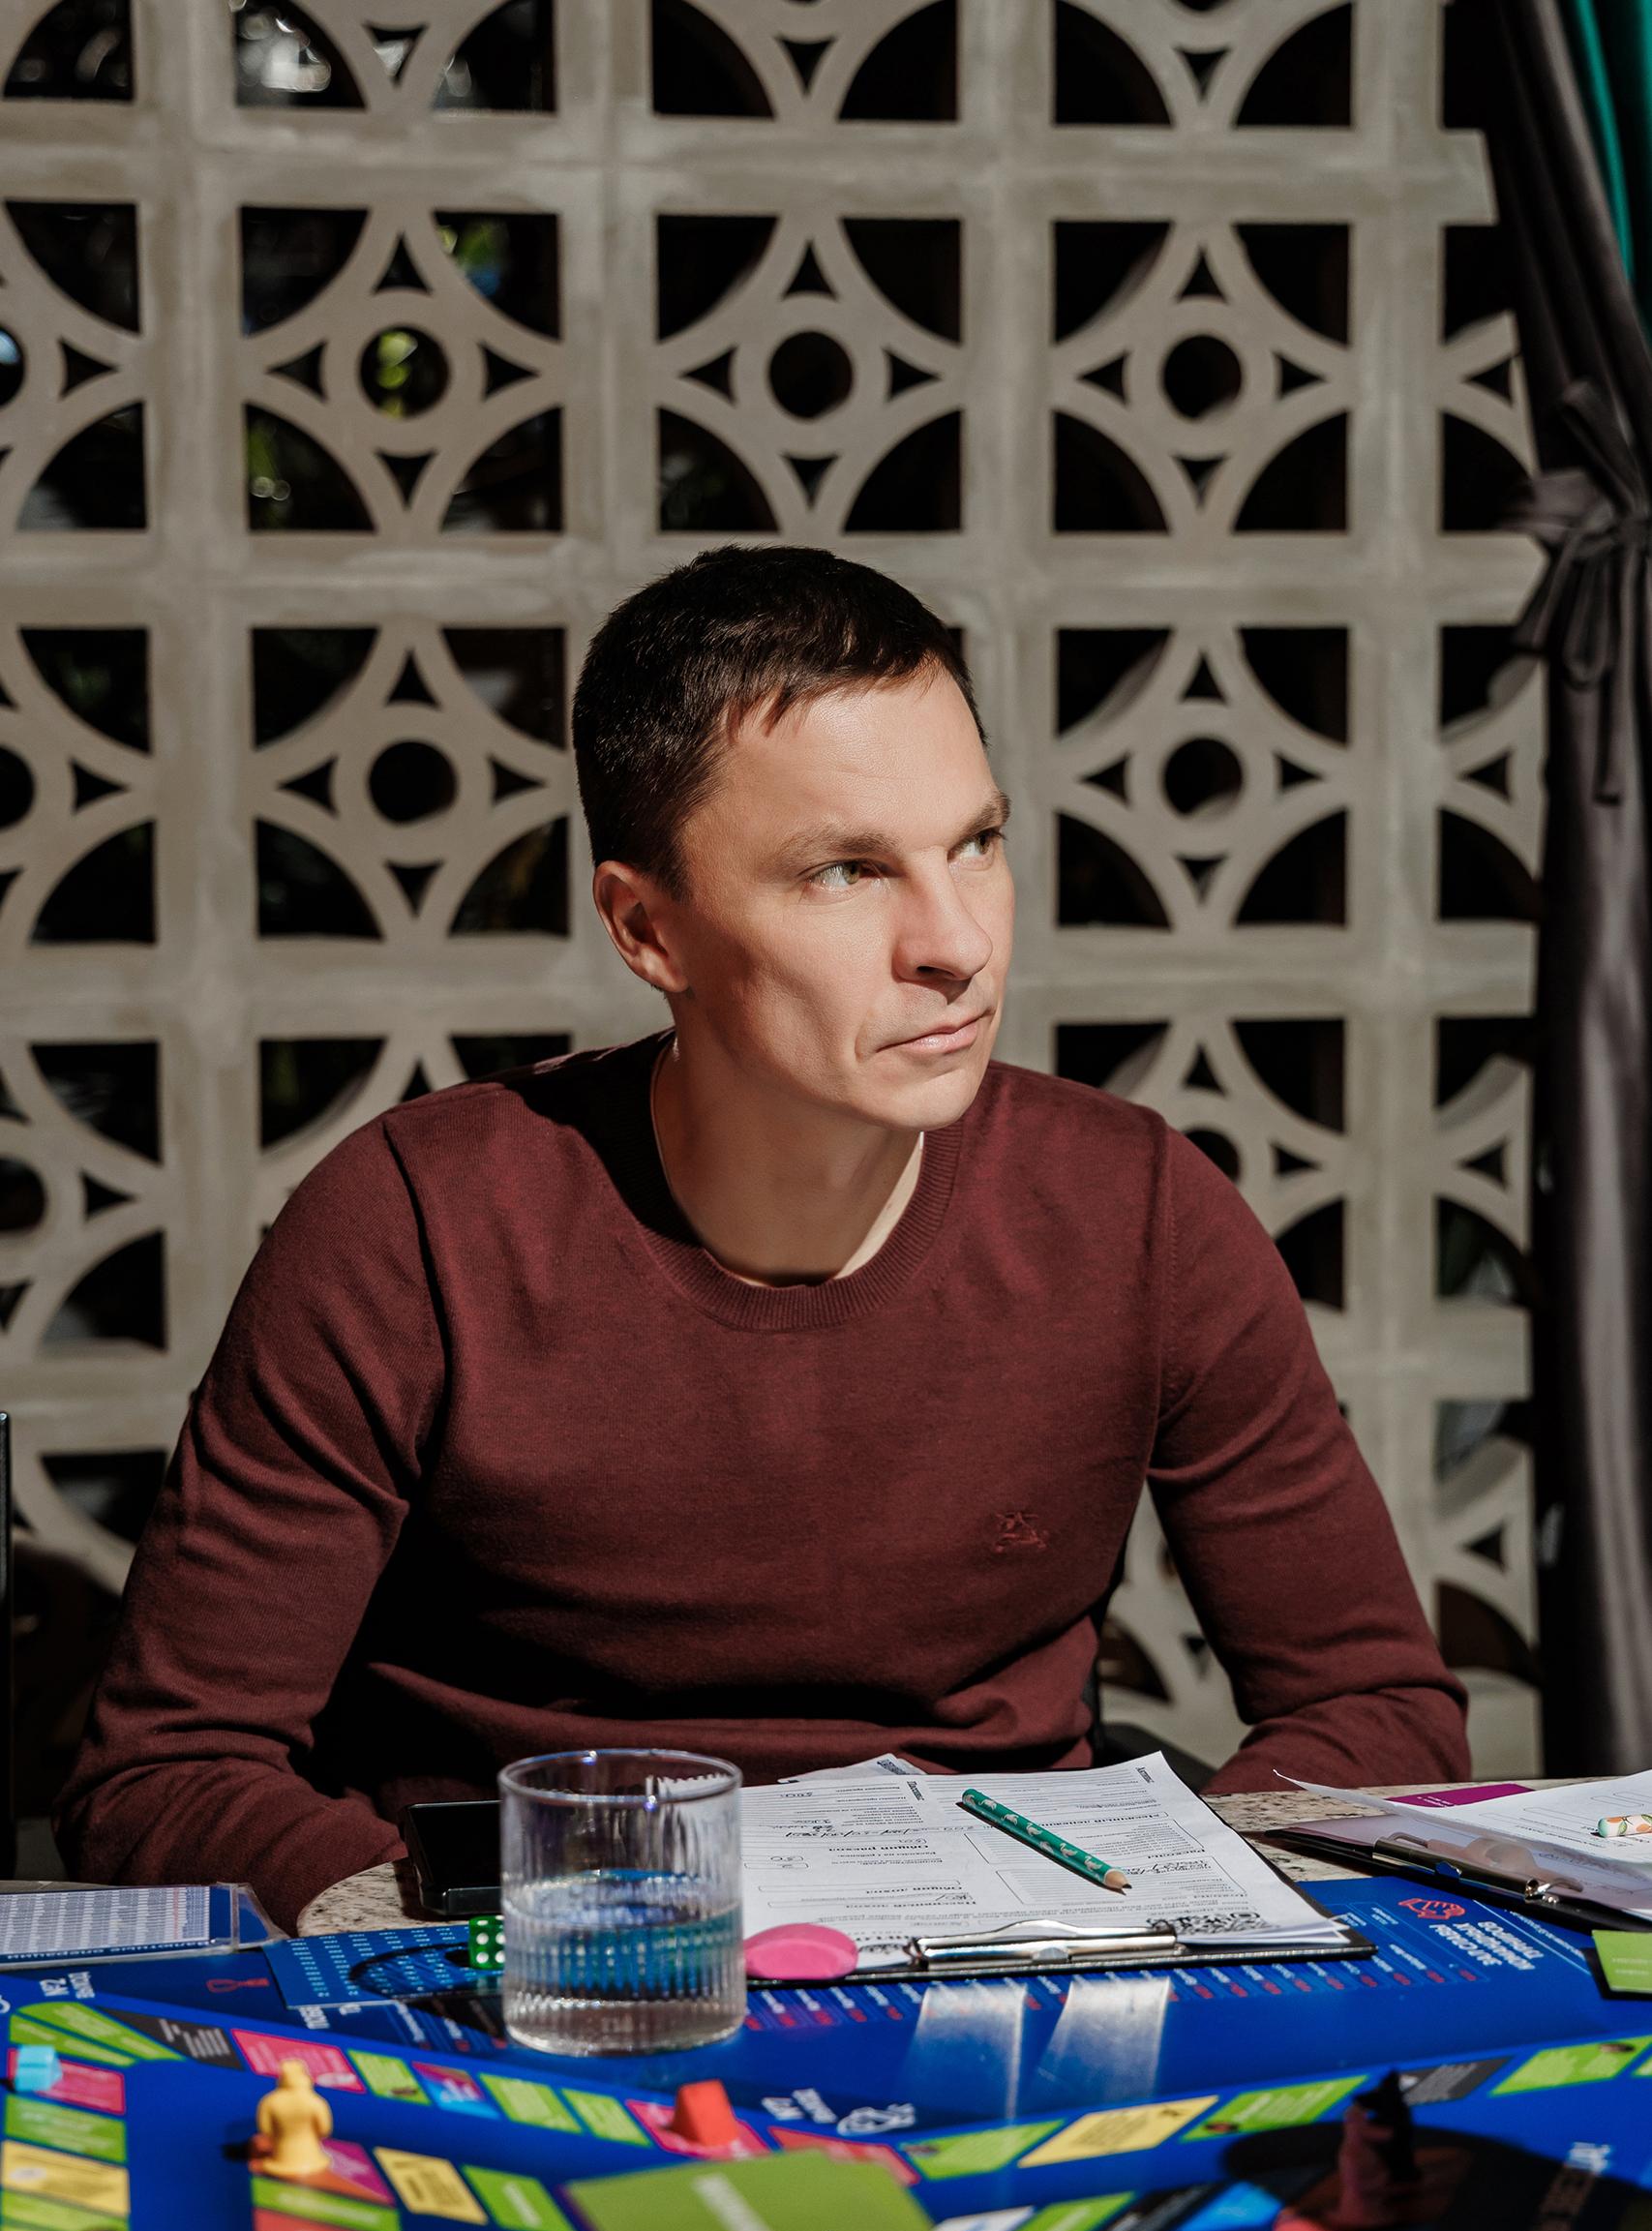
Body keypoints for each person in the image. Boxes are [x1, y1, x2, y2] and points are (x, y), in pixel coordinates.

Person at [56, 548, 1469, 1929]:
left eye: (976, 845)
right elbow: (167, 1770)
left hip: (1012, 1979)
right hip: (539, 1992)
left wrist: (1180, 1900)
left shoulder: (1139, 1210)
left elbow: (1374, 1706)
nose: (958, 942)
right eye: (846, 872)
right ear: (646, 929)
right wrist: (454, 1937)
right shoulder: (414, 1227)